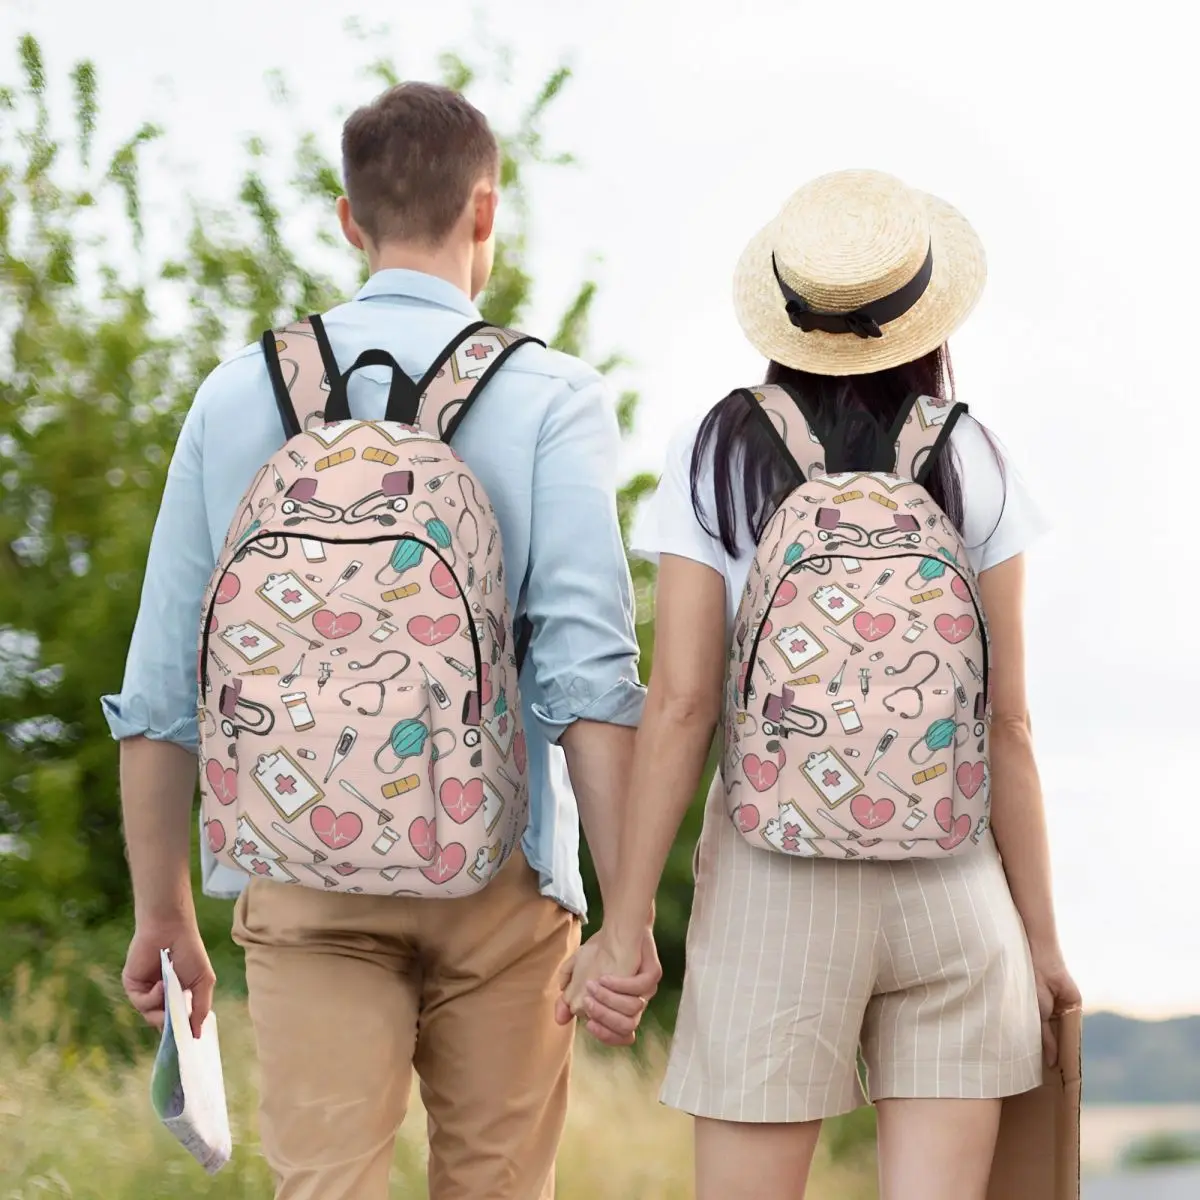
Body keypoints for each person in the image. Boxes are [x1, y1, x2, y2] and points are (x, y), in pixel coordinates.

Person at [105, 81, 661, 1200]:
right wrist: (628, 915)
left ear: (349, 219)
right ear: (486, 213)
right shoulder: (550, 395)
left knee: (325, 1186)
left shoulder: (236, 394)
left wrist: (162, 910)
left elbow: (165, 683)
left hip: (301, 873)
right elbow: (588, 679)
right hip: (501, 873)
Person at [559, 169, 1081, 1200]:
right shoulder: (973, 455)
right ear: (924, 315)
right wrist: (1042, 943)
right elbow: (1009, 722)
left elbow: (682, 705)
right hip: (954, 883)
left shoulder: (717, 451)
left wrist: (624, 927)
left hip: (773, 881)